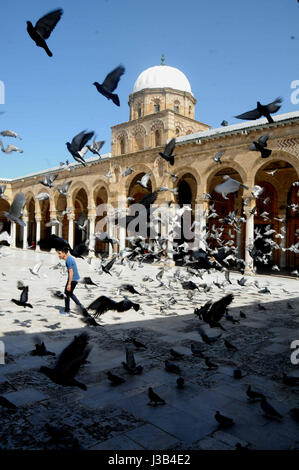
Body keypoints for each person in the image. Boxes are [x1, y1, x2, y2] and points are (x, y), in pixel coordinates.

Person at [56, 246, 86, 315]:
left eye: (60, 253)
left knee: (66, 294)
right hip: (75, 279)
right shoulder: (69, 259)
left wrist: (69, 283)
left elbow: (71, 272)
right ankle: (80, 306)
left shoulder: (68, 260)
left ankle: (67, 311)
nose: (59, 255)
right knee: (70, 293)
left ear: (64, 253)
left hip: (73, 279)